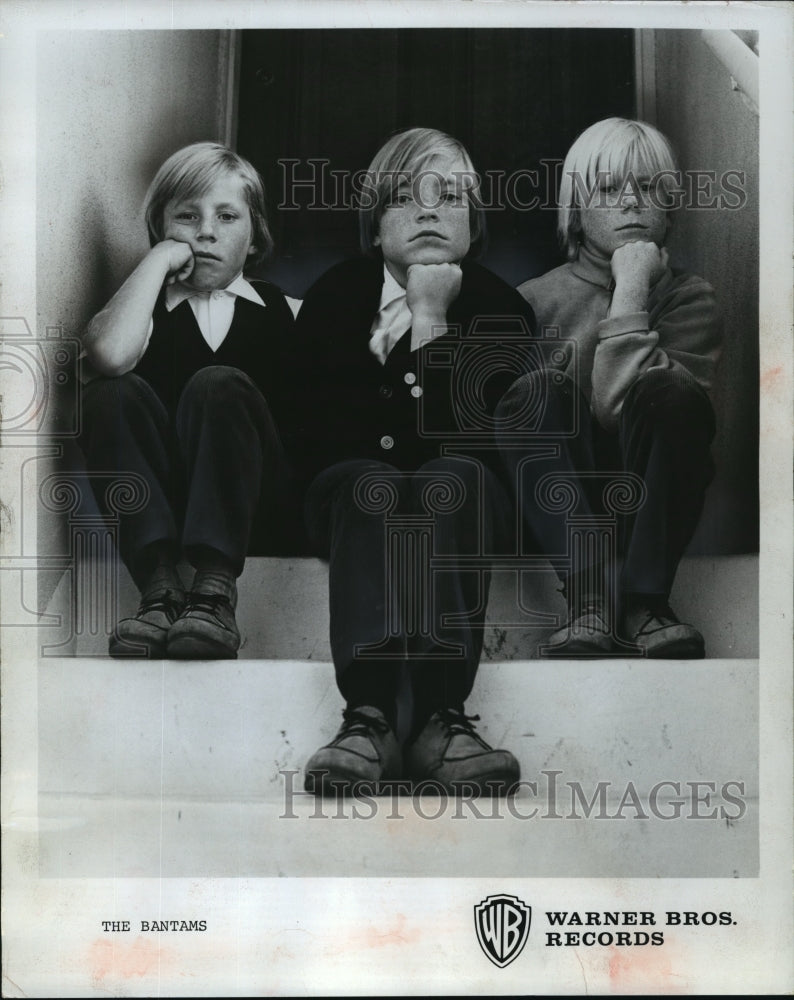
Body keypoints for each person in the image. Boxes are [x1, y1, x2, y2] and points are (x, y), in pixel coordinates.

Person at [289, 127, 537, 796]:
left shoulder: (500, 308)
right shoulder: (335, 298)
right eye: (405, 197)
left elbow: (468, 440)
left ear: (475, 224)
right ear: (374, 227)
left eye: (449, 196)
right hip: (346, 492)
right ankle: (367, 716)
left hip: (458, 497)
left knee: (453, 479)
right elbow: (318, 430)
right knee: (368, 480)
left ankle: (441, 716)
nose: (429, 210)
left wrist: (430, 320)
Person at [499, 117, 722, 658]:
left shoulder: (689, 297)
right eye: (608, 188)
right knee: (533, 392)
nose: (631, 202)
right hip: (556, 514)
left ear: (668, 210)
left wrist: (632, 288)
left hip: (647, 511)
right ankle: (588, 600)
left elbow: (618, 404)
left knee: (672, 393)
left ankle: (646, 602)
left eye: (648, 188)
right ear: (575, 211)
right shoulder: (531, 300)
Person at [80, 142, 295, 660]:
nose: (205, 231)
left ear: (254, 234)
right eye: (186, 216)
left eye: (226, 216)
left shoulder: (289, 310)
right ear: (161, 227)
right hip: (169, 513)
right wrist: (157, 261)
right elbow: (107, 354)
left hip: (258, 505)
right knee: (108, 393)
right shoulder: (144, 311)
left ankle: (216, 591)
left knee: (217, 382)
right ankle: (160, 588)